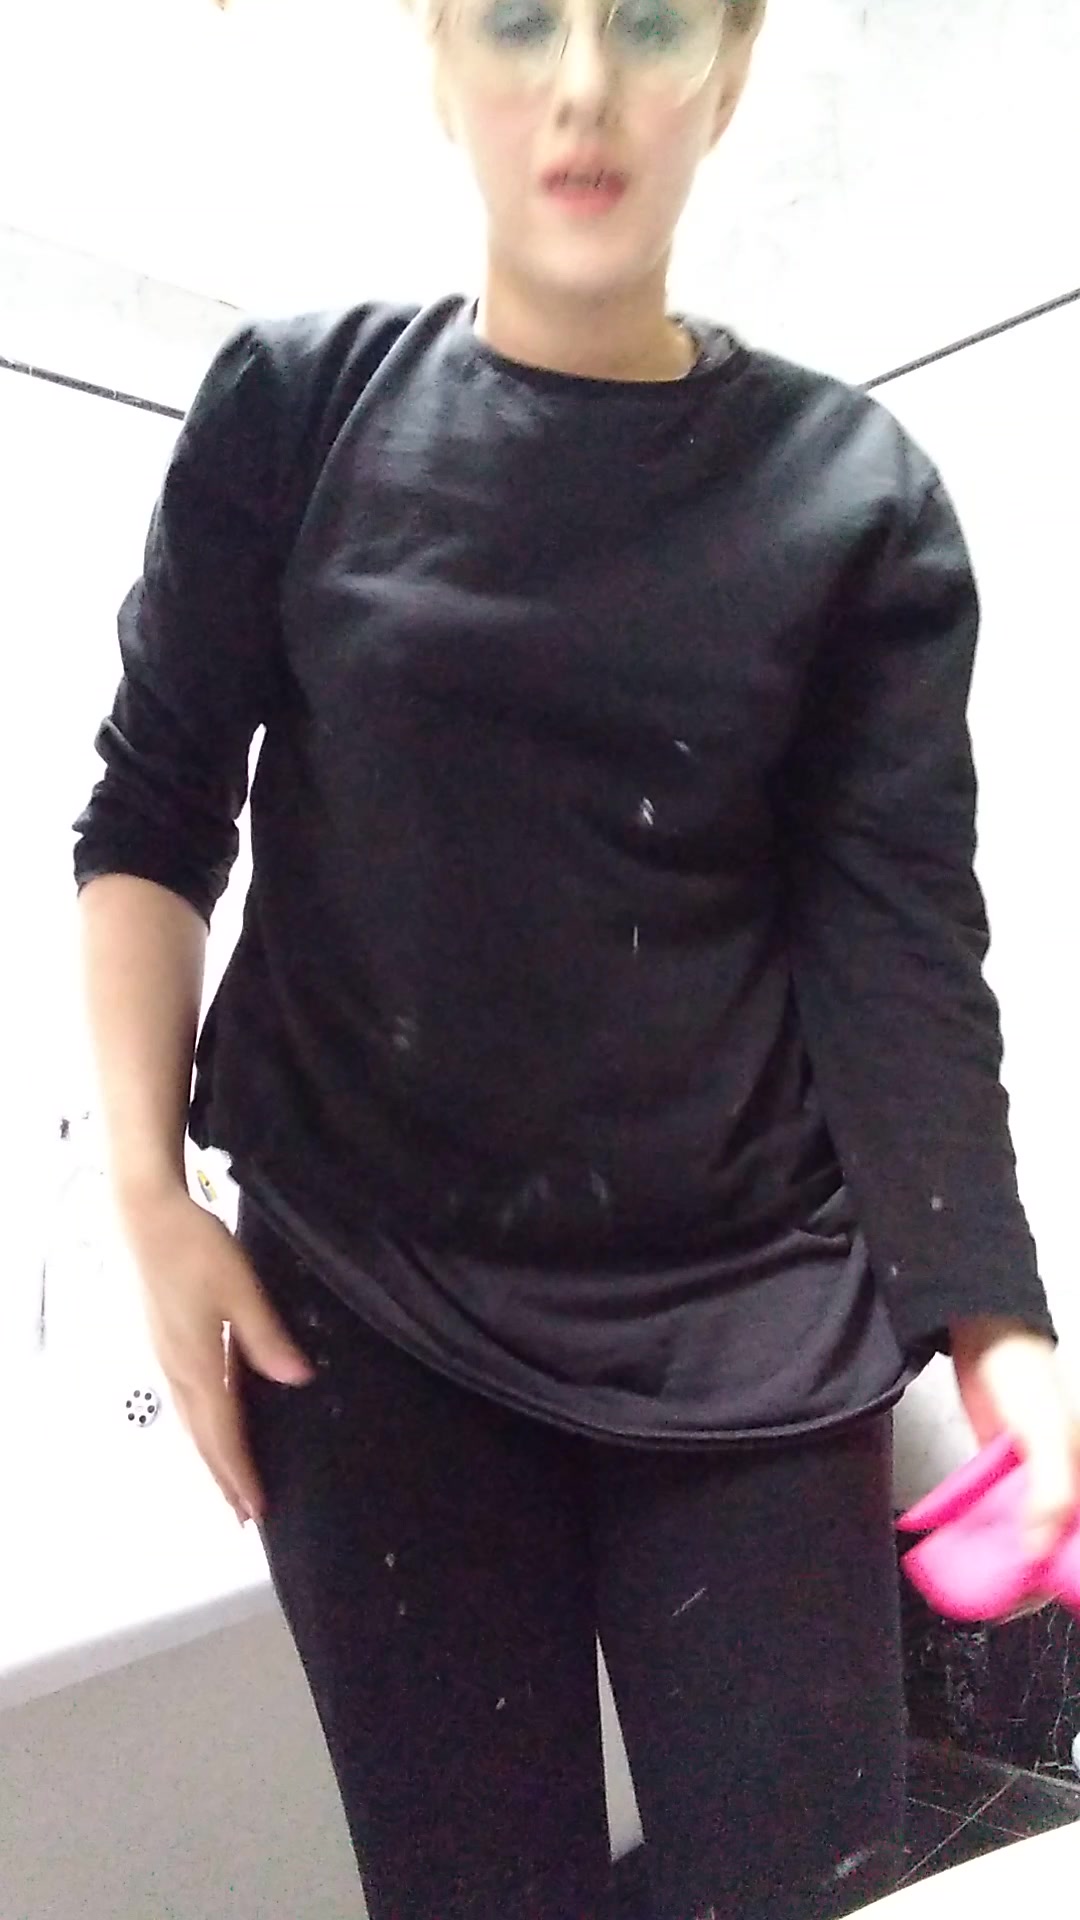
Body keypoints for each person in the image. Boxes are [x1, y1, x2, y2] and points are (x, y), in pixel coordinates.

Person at [72, 2, 1079, 1917]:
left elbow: (896, 948)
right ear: (441, 58)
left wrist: (997, 1324)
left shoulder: (856, 498)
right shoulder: (294, 412)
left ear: (735, 67)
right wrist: (144, 1191)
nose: (587, 83)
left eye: (655, 21)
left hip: (756, 1327)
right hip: (368, 1315)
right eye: (524, 18)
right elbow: (152, 812)